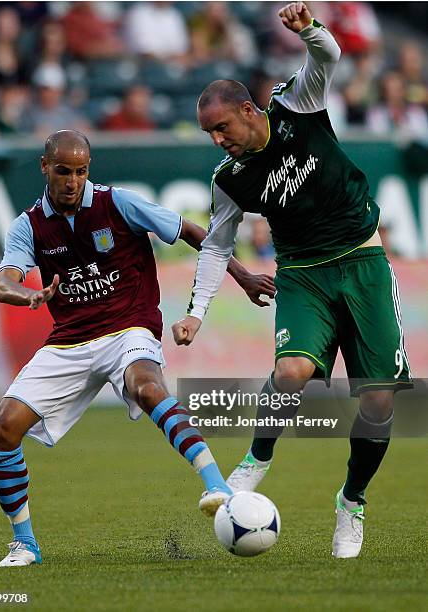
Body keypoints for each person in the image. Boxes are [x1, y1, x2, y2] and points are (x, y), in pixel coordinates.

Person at [172, 2, 412, 560]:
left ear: (249, 111)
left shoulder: (295, 105)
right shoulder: (229, 179)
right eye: (209, 133)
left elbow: (329, 56)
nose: (218, 141)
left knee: (377, 402)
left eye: (222, 128)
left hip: (364, 261)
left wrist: (308, 29)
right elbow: (216, 245)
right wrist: (195, 313)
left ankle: (351, 504)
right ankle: (257, 458)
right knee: (291, 371)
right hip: (303, 274)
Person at [0, 129, 275, 567]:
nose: (72, 181)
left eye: (81, 171)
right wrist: (23, 294)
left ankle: (216, 484)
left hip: (129, 327)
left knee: (147, 385)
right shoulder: (28, 225)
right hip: (70, 339)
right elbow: (5, 279)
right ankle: (25, 543)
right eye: (63, 171)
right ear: (46, 168)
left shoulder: (117, 202)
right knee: (1, 430)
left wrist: (244, 275)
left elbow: (193, 232)